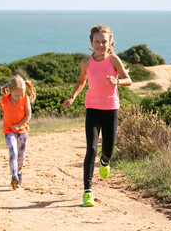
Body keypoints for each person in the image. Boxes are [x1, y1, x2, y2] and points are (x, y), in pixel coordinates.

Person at [62, 24, 132, 206]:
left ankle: (105, 160)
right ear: (91, 42)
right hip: (92, 109)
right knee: (91, 149)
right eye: (97, 41)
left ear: (110, 43)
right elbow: (81, 81)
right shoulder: (86, 62)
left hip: (111, 110)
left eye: (104, 41)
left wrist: (116, 81)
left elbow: (129, 80)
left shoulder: (114, 60)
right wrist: (72, 97)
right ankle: (87, 192)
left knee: (108, 150)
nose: (100, 45)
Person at [0, 75, 36, 189]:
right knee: (13, 151)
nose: (19, 97)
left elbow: (28, 115)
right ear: (9, 91)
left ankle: (19, 171)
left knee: (21, 155)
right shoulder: (3, 99)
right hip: (9, 130)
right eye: (16, 95)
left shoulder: (25, 98)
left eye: (21, 94)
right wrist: (5, 110)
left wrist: (19, 125)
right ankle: (14, 177)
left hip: (22, 130)